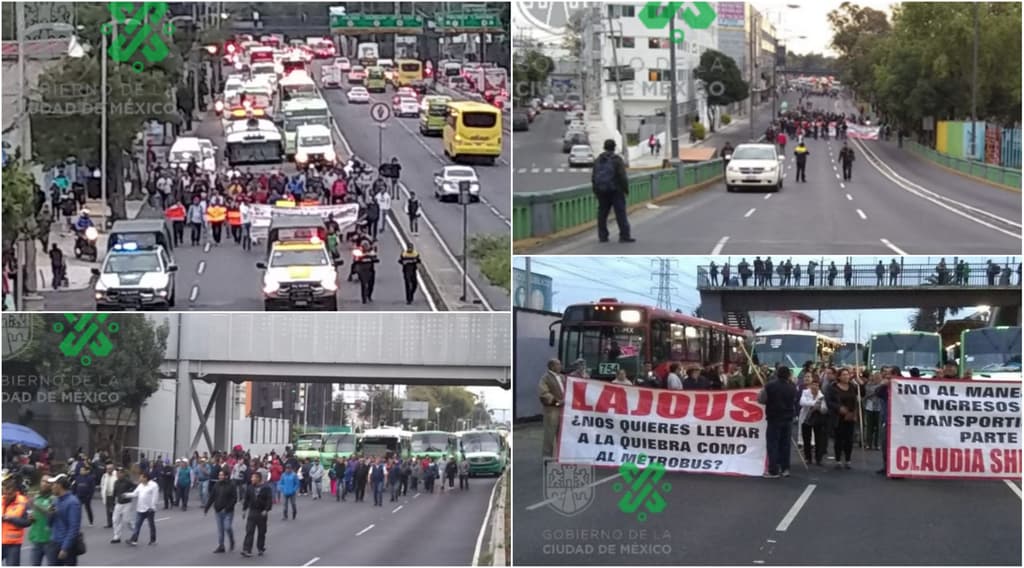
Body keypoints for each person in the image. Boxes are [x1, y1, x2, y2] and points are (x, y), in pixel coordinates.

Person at [591, 139, 634, 244]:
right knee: (620, 213)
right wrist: (625, 189)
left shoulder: (598, 160)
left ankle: (602, 236)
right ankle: (624, 236)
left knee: (602, 214)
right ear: (614, 147)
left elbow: (593, 177)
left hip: (602, 191)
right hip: (616, 191)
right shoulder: (617, 160)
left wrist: (596, 190)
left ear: (604, 147)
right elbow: (622, 176)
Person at [760, 366, 797, 478]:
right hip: (788, 418)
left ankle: (773, 470)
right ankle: (785, 468)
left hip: (774, 418)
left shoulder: (770, 385)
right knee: (785, 445)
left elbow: (762, 399)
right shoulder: (792, 387)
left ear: (777, 373)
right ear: (788, 375)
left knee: (773, 444)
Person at [824, 368, 863, 470]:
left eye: (848, 374)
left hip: (850, 416)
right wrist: (838, 408)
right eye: (844, 375)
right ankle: (838, 460)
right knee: (839, 439)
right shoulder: (832, 388)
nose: (846, 376)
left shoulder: (853, 386)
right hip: (838, 417)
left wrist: (861, 383)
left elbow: (862, 393)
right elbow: (829, 401)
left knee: (849, 439)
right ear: (839, 376)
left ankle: (848, 460)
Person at [45, 474, 81, 566]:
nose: (51, 487)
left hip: (66, 545)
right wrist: (50, 513)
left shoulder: (73, 502)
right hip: (54, 543)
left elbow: (73, 528)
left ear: (59, 485)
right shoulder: (55, 501)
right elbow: (49, 524)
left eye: (53, 484)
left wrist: (65, 548)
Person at [240, 471, 272, 558]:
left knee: (262, 531)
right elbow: (246, 499)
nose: (251, 479)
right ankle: (247, 549)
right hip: (252, 511)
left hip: (261, 512)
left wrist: (266, 509)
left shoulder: (266, 488)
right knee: (249, 531)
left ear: (258, 478)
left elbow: (269, 499)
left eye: (253, 478)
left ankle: (260, 547)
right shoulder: (250, 488)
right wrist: (244, 510)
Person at [204, 468, 236, 553]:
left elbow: (234, 498)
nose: (220, 476)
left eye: (222, 475)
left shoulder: (231, 485)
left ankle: (231, 540)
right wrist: (207, 507)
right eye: (219, 475)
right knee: (220, 530)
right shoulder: (217, 485)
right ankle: (221, 546)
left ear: (226, 476)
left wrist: (228, 508)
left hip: (228, 511)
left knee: (227, 527)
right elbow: (212, 497)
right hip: (218, 510)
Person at [122, 470, 158, 546]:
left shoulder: (154, 485)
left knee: (151, 525)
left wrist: (152, 507)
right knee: (137, 525)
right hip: (140, 508)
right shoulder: (140, 485)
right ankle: (134, 540)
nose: (139, 479)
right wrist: (126, 495)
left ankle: (153, 540)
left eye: (141, 477)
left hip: (149, 509)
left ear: (145, 478)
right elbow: (135, 494)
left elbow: (155, 497)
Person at [538, 358, 565, 458]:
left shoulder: (562, 377)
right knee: (549, 435)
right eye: (558, 365)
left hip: (563, 410)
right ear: (552, 366)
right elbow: (543, 393)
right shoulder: (545, 378)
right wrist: (557, 402)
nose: (560, 366)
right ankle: (547, 457)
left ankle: (560, 456)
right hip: (552, 410)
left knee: (562, 434)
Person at [27, 476, 56, 566]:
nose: (44, 483)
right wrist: (30, 518)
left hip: (50, 540)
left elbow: (50, 514)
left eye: (47, 482)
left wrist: (35, 506)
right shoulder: (36, 497)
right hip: (36, 538)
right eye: (43, 481)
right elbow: (32, 515)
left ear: (52, 485)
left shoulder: (54, 499)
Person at [2, 474, 31, 566]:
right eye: (4, 493)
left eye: (9, 494)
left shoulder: (23, 502)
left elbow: (27, 522)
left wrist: (10, 519)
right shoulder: (1, 499)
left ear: (15, 492)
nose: (6, 496)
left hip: (13, 544)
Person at [798, 379, 828, 466]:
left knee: (819, 439)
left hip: (818, 419)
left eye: (817, 385)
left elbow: (824, 409)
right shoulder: (805, 392)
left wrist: (818, 407)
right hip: (806, 418)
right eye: (813, 385)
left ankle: (818, 458)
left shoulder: (821, 395)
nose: (814, 387)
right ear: (810, 385)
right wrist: (814, 403)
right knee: (806, 439)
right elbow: (802, 402)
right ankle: (808, 457)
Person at [110, 467, 135, 544]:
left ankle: (135, 531)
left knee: (127, 520)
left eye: (120, 473)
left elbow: (135, 488)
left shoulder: (128, 481)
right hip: (119, 503)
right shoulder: (116, 482)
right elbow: (114, 493)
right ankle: (117, 536)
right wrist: (112, 504)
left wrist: (128, 493)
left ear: (123, 474)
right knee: (115, 520)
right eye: (117, 473)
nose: (118, 474)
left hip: (127, 503)